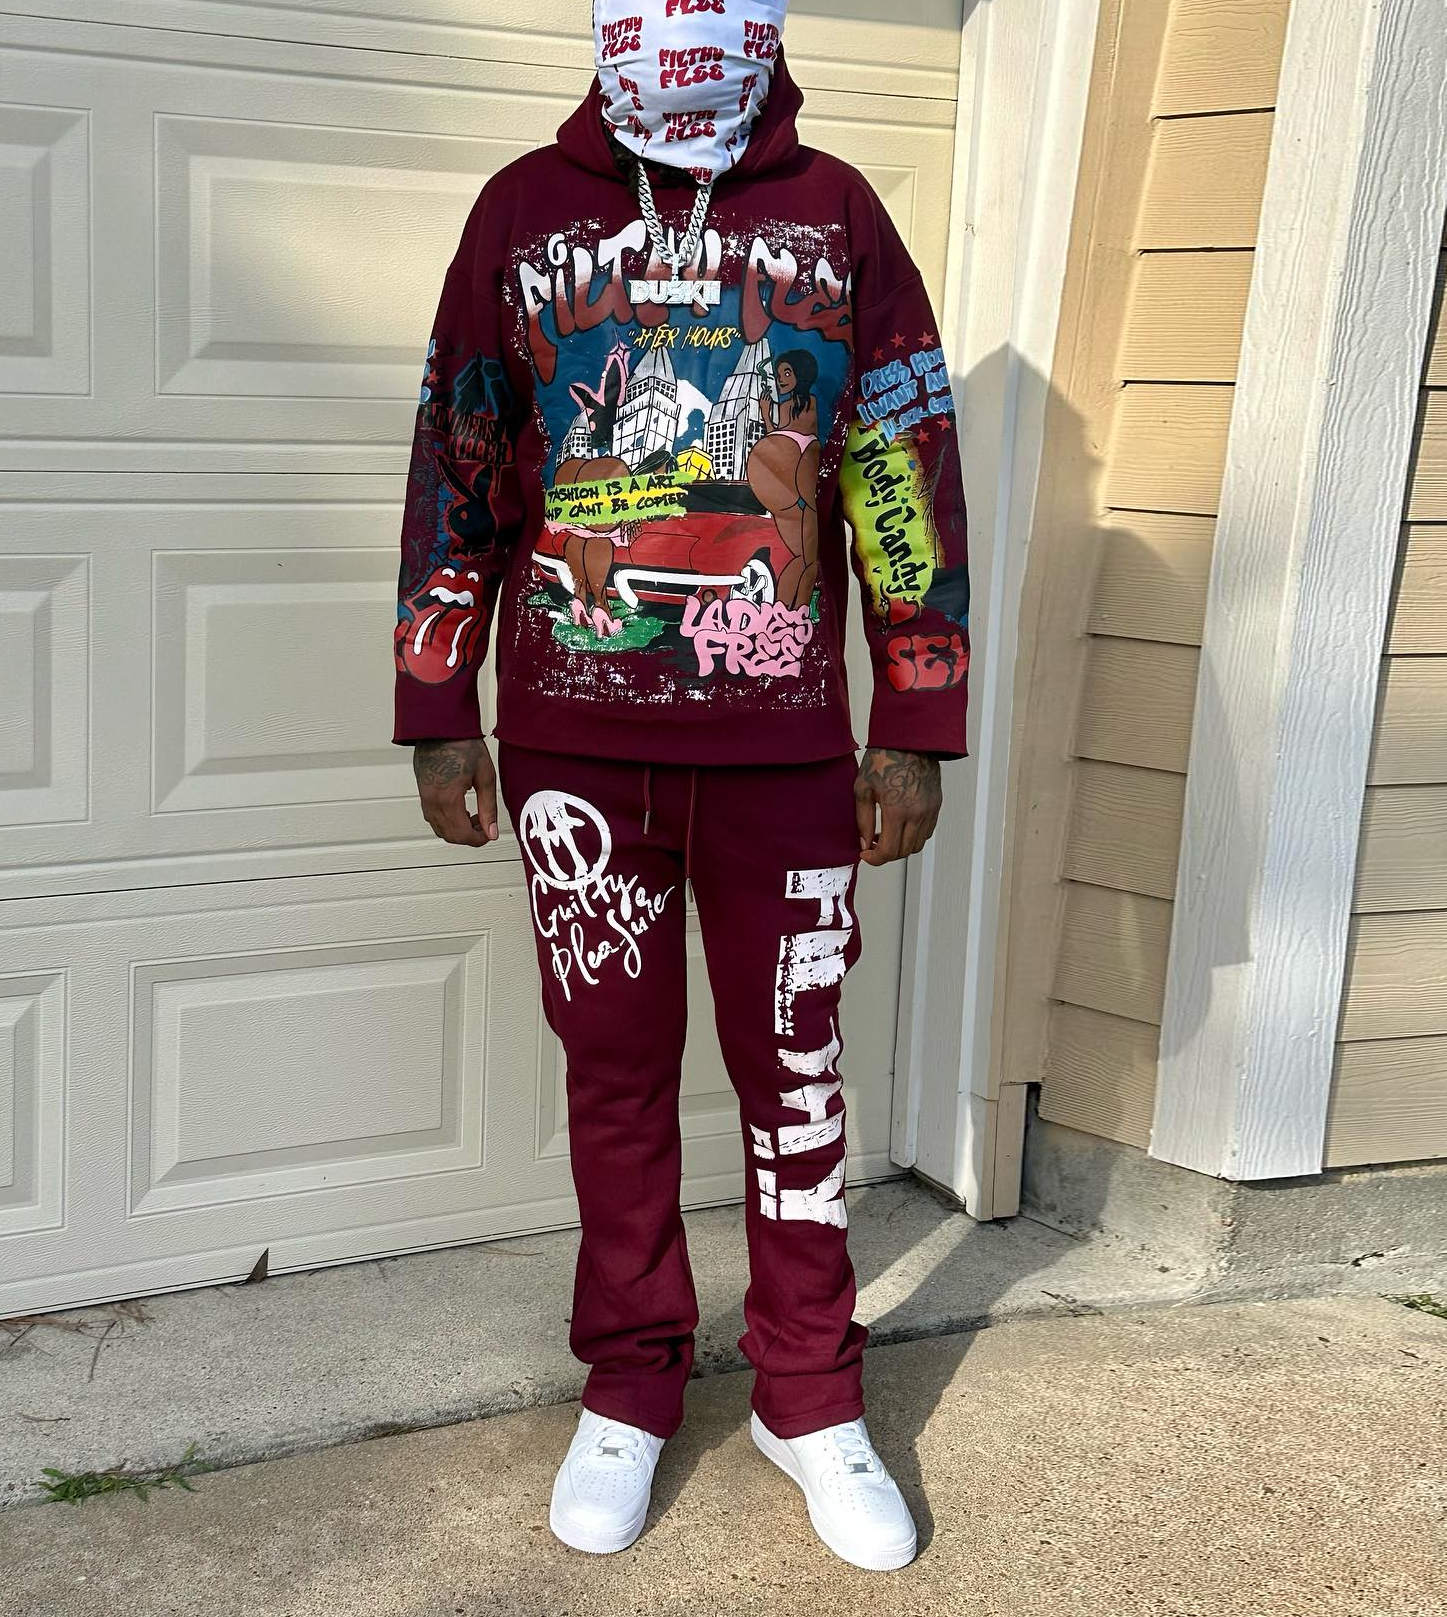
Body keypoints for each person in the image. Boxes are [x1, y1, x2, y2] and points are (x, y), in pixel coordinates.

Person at [393, 0, 971, 1574]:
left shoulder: (836, 213)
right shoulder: (523, 212)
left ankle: (809, 1393)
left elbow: (897, 460)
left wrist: (917, 712)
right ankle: (633, 1380)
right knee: (614, 1076)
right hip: (577, 745)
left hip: (784, 754)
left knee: (798, 1076)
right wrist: (439, 697)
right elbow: (463, 451)